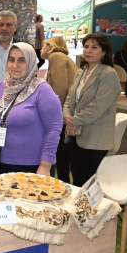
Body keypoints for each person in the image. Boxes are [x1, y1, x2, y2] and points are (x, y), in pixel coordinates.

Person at [0, 43, 62, 182]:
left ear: (31, 62)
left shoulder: (42, 90)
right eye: (11, 59)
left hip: (32, 166)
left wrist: (45, 165)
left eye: (22, 60)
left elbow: (54, 130)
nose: (15, 65)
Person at [63, 34, 121, 187]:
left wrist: (74, 120)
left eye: (94, 47)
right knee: (76, 173)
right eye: (86, 46)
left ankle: (86, 203)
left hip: (95, 136)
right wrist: (67, 115)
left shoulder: (108, 74)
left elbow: (98, 106)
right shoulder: (80, 72)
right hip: (75, 133)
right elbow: (69, 98)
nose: (88, 50)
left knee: (83, 177)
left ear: (104, 52)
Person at [41, 36, 78, 184]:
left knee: (62, 155)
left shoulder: (56, 56)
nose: (41, 49)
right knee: (64, 155)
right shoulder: (62, 58)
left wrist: (55, 113)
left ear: (50, 46)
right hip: (68, 112)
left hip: (64, 114)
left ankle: (63, 185)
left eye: (44, 45)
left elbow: (60, 87)